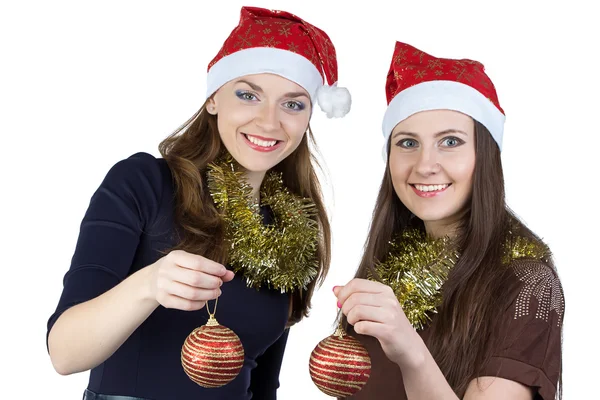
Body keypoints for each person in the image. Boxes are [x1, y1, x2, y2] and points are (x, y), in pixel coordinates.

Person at [46, 6, 351, 400]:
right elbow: (64, 353)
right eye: (248, 95)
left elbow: (264, 385)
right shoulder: (144, 183)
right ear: (213, 99)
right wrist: (149, 284)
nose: (269, 122)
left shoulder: (294, 227)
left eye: (293, 104)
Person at [333, 41, 564, 400]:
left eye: (451, 141)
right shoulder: (391, 264)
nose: (425, 165)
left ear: (484, 157)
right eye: (408, 143)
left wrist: (411, 353)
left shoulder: (526, 283)